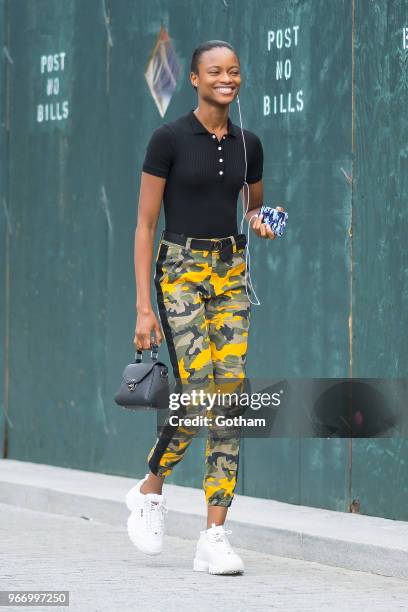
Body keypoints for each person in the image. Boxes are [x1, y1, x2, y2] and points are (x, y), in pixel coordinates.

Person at [126, 40, 284, 575]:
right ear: (193, 78)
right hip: (180, 273)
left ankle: (214, 535)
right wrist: (144, 307)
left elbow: (255, 205)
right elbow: (146, 225)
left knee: (230, 402)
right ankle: (151, 489)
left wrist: (262, 220)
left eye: (234, 71)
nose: (227, 78)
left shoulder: (249, 144)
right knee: (197, 394)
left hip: (231, 275)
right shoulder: (168, 139)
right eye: (215, 71)